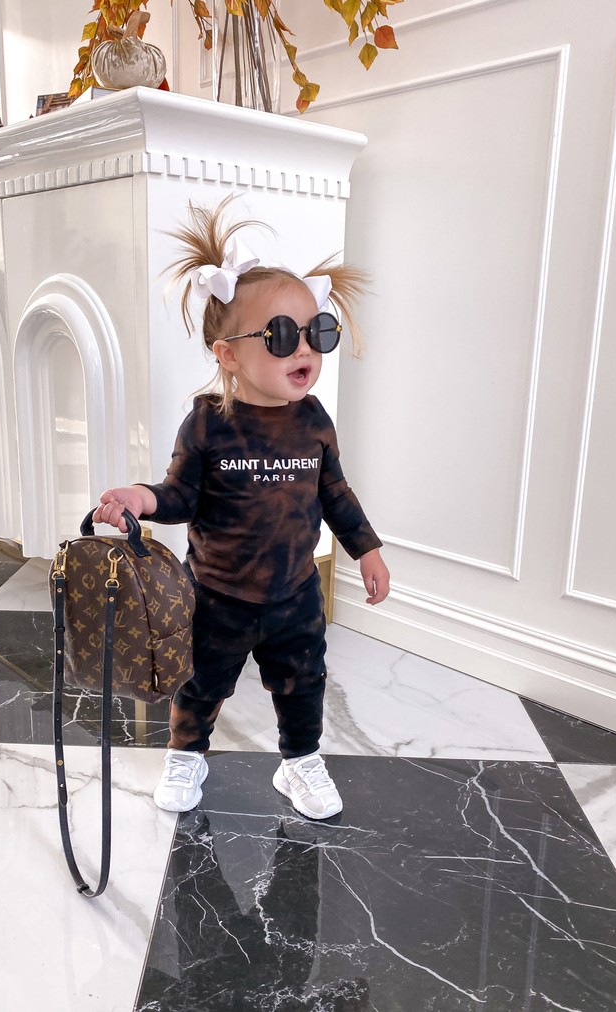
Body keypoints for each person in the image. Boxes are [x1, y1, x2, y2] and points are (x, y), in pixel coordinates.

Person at [93, 198, 390, 821]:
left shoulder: (314, 422)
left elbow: (335, 492)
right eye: (282, 335)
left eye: (317, 331)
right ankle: (186, 754)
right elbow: (179, 495)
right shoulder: (208, 424)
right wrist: (139, 500)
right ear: (229, 354)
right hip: (219, 595)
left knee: (303, 685)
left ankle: (300, 762)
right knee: (202, 683)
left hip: (295, 594)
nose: (302, 347)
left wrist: (367, 550)